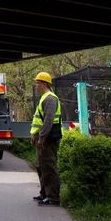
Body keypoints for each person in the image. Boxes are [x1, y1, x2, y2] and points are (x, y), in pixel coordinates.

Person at [30, 71, 62, 206]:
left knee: (49, 167)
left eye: (37, 83)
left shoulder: (50, 98)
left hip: (48, 138)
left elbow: (48, 121)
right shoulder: (44, 97)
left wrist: (41, 138)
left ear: (43, 84)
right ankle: (44, 193)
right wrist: (34, 135)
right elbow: (39, 120)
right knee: (41, 166)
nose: (36, 86)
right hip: (43, 137)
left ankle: (53, 198)